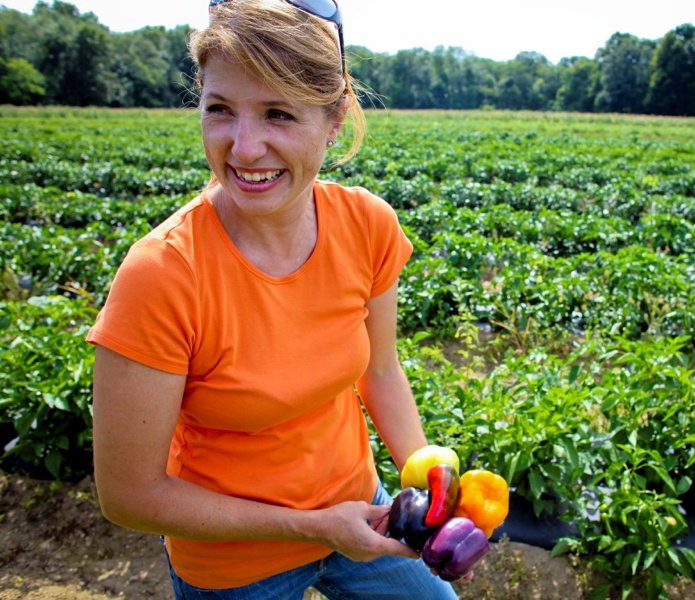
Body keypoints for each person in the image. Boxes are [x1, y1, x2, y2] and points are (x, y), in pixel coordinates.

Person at [87, 0, 458, 598]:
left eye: (278, 114)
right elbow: (129, 496)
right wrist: (313, 528)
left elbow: (382, 370)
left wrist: (432, 483)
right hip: (234, 561)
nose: (244, 147)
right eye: (220, 110)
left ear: (335, 118)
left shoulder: (367, 226)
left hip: (360, 508)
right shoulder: (162, 275)